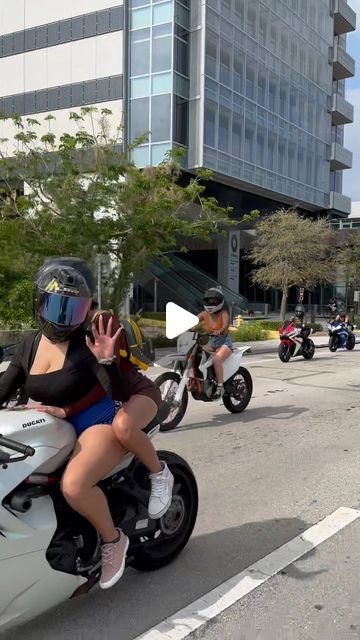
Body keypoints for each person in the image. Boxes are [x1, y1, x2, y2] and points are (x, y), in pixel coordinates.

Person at [0, 257, 173, 590]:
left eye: (72, 310)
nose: (63, 319)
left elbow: (111, 387)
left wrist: (107, 359)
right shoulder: (29, 345)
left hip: (97, 421)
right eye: (56, 307)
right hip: (55, 430)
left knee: (74, 486)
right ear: (38, 303)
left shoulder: (87, 341)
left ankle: (112, 540)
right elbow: (5, 387)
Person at [197, 288, 232, 398]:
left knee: (217, 359)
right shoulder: (204, 313)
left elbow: (226, 324)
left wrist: (220, 330)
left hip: (224, 343)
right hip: (212, 343)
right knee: (198, 354)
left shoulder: (223, 313)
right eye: (209, 301)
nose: (211, 303)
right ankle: (206, 379)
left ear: (220, 301)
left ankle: (220, 387)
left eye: (214, 301)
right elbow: (194, 320)